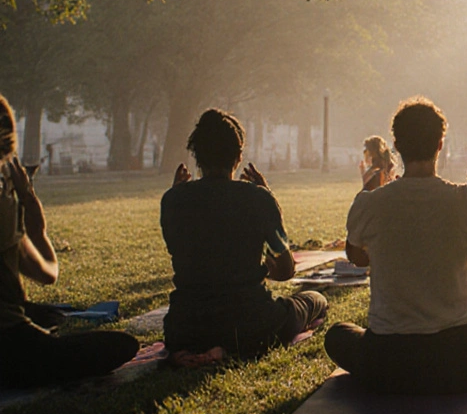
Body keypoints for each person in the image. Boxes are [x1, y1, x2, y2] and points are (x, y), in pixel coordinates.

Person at [325, 98, 467, 394]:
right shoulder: (466, 200)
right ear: (441, 144)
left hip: (386, 360)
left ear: (397, 146)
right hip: (460, 357)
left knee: (337, 336)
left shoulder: (370, 203)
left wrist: (373, 199)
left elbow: (356, 257)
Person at [161, 109, 329, 358]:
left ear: (197, 155)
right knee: (315, 300)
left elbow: (181, 249)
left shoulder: (173, 199)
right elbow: (285, 271)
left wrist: (176, 194)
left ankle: (209, 350)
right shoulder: (258, 198)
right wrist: (268, 196)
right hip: (250, 324)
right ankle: (226, 349)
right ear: (238, 156)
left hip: (184, 328)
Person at [0, 93, 139, 387]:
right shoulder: (5, 206)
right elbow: (48, 272)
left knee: (48, 314)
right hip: (10, 344)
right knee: (122, 346)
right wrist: (28, 199)